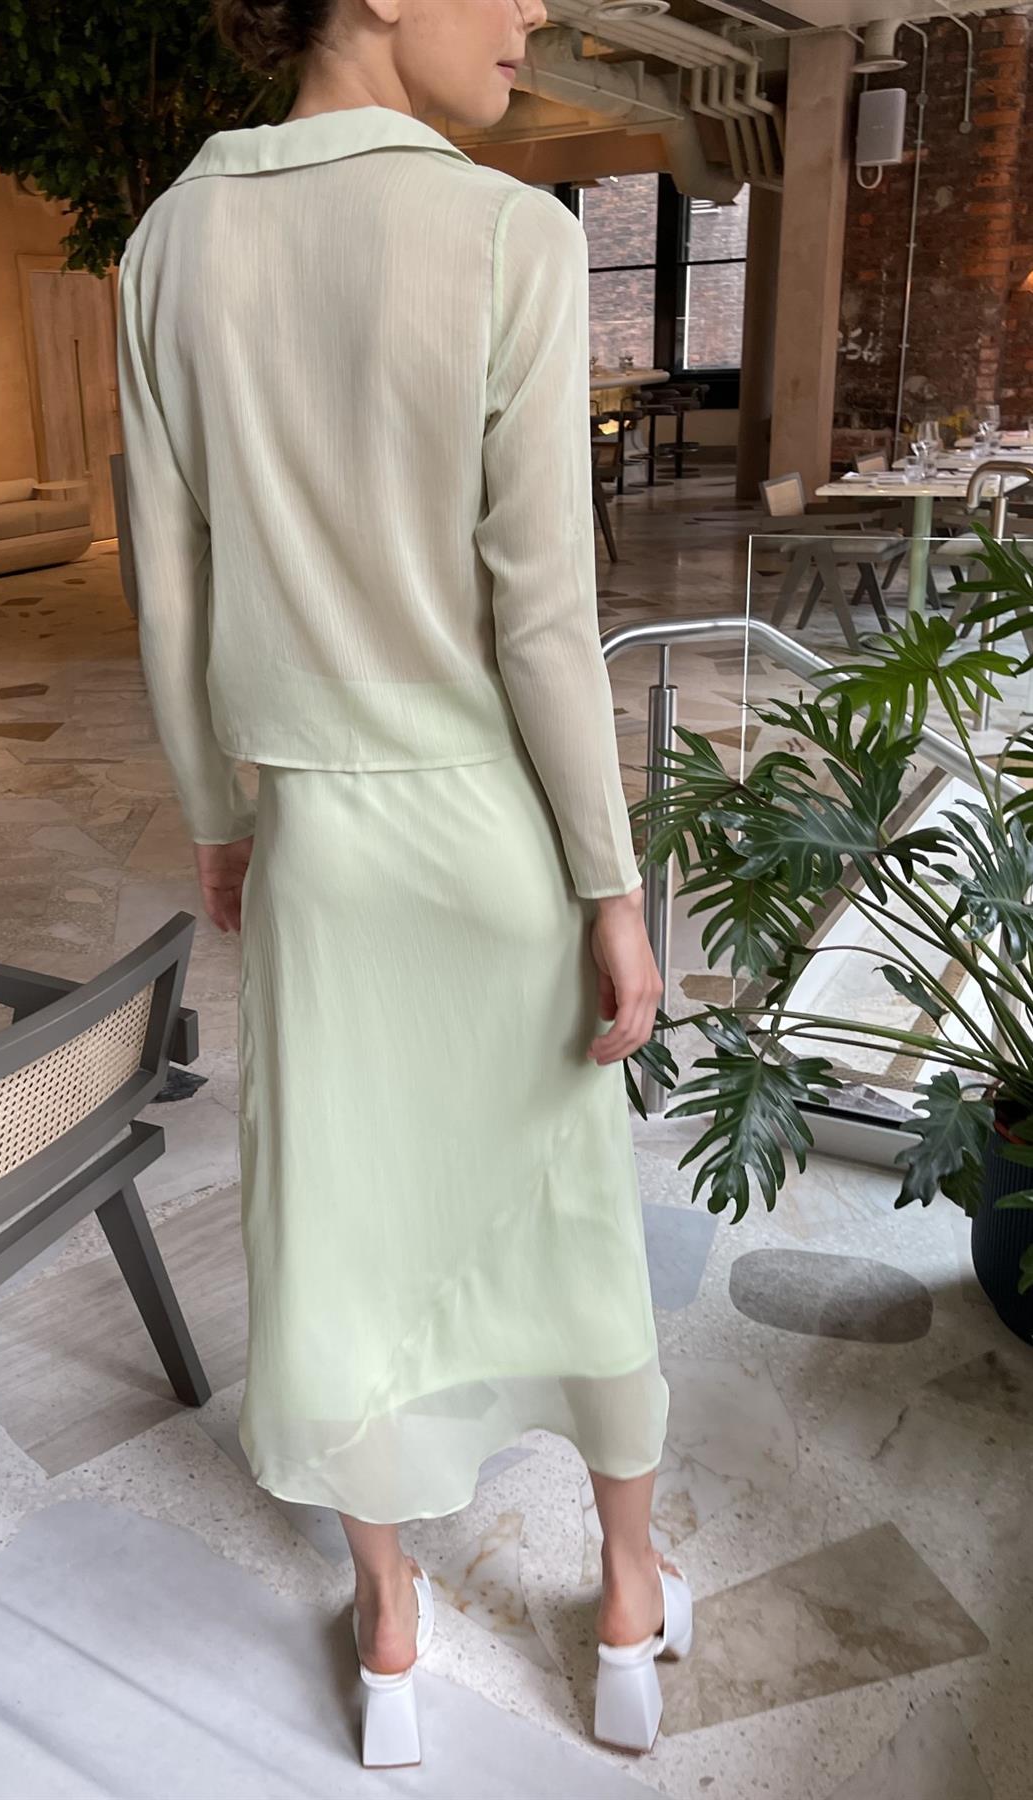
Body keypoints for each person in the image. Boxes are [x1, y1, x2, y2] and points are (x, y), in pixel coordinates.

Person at [116, 0, 690, 1764]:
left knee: (340, 1234)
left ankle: (386, 1630)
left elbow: (169, 587)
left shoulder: (167, 248)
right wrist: (608, 886)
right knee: (570, 1214)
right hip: (490, 838)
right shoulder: (510, 236)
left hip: (322, 854)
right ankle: (625, 1597)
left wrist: (218, 814)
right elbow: (544, 617)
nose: (534, 13)